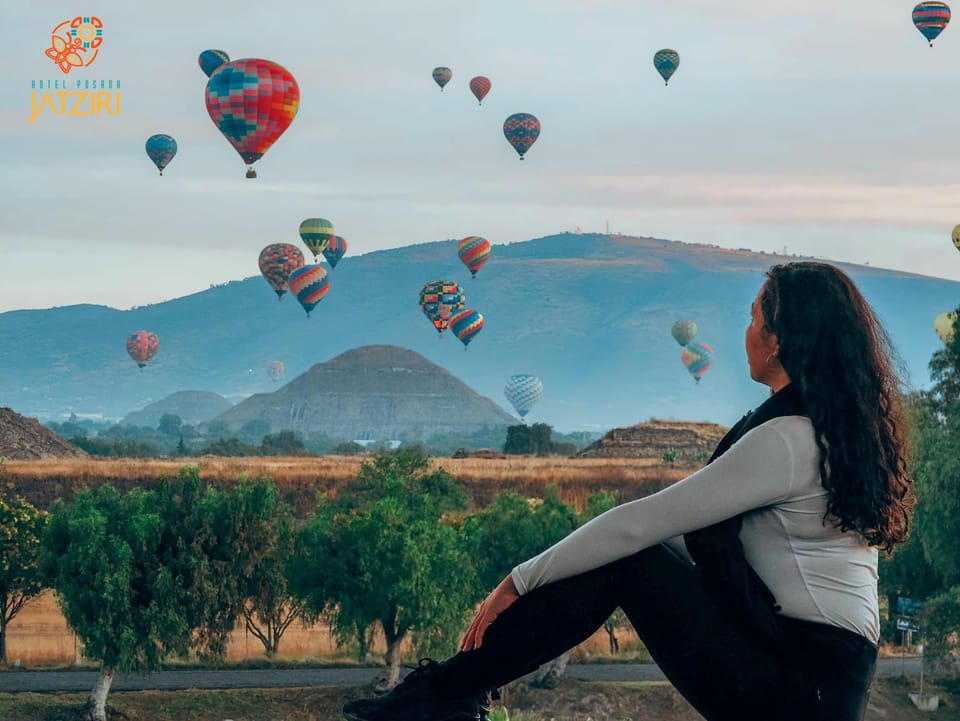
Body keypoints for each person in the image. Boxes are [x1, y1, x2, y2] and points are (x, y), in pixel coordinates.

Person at [342, 261, 912, 721]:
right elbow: (694, 546)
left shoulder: (789, 438)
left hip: (800, 684)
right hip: (818, 675)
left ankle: (446, 695)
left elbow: (640, 525)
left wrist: (518, 580)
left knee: (629, 559)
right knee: (634, 559)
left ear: (782, 339)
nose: (745, 332)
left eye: (753, 318)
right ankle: (451, 695)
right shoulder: (822, 427)